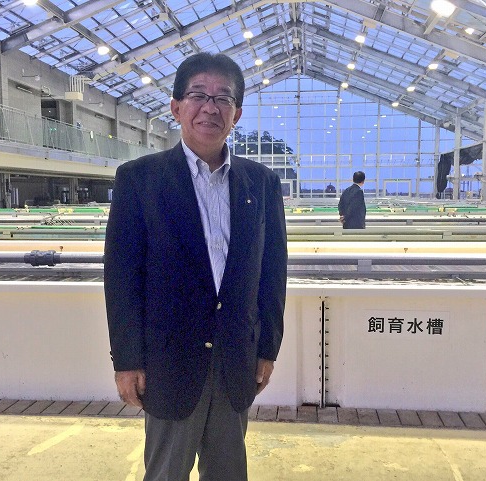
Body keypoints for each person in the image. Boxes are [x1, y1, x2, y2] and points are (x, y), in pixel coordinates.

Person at [104, 52, 288, 481]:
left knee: (228, 471)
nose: (210, 107)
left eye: (223, 98)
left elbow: (272, 274)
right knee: (166, 471)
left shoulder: (261, 184)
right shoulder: (140, 179)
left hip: (235, 359)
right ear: (176, 107)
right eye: (198, 95)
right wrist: (126, 360)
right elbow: (122, 278)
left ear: (236, 113)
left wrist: (267, 349)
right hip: (168, 362)